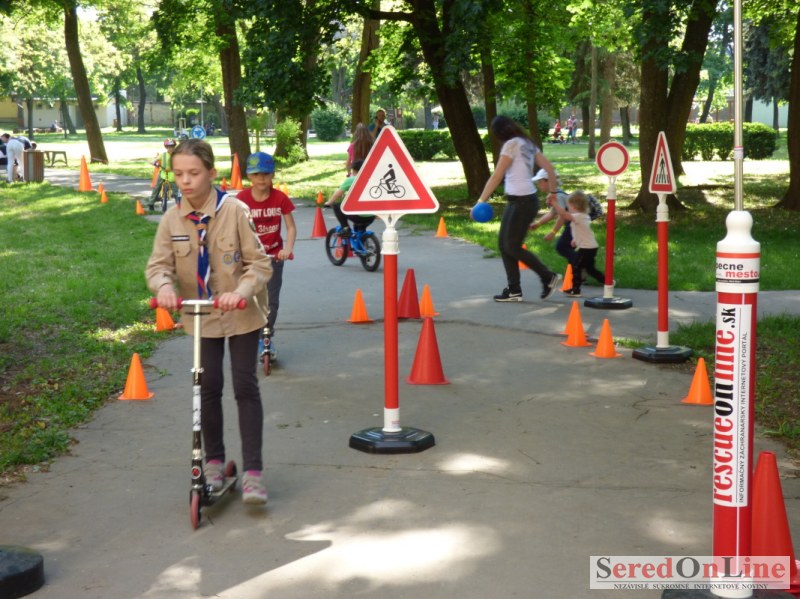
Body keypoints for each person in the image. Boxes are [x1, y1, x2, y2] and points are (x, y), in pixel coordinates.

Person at [145, 138, 273, 505]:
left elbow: (260, 263)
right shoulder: (172, 219)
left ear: (212, 173)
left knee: (244, 385)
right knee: (208, 386)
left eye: (194, 173)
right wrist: (164, 287)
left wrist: (242, 291)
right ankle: (213, 463)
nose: (185, 181)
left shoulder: (234, 211)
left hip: (241, 312)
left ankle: (253, 472)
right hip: (201, 314)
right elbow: (158, 266)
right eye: (178, 174)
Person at [474, 116, 562, 302]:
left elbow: (497, 176)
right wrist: (553, 192)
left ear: (499, 133)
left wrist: (480, 201)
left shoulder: (511, 145)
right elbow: (550, 169)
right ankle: (514, 290)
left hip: (522, 202)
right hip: (521, 201)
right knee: (504, 245)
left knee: (512, 246)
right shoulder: (528, 143)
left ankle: (548, 277)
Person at [237, 151, 296, 363]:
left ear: (272, 175)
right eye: (256, 174)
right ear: (249, 176)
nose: (261, 179)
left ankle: (266, 337)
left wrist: (287, 249)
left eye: (266, 174)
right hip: (249, 260)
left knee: (271, 302)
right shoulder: (241, 200)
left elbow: (291, 227)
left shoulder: (280, 198)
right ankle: (247, 336)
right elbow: (234, 228)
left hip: (273, 258)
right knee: (247, 298)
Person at [546, 191, 605, 297]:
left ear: (574, 206)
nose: (568, 209)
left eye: (568, 206)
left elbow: (563, 214)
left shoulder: (578, 216)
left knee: (577, 266)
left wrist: (555, 203)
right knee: (590, 268)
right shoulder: (583, 216)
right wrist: (575, 240)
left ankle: (576, 289)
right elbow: (581, 230)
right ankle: (606, 281)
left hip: (586, 248)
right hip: (590, 247)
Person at [529, 168, 576, 267]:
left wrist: (553, 232)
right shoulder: (555, 195)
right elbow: (552, 213)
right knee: (567, 247)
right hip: (573, 223)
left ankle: (582, 264)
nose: (538, 184)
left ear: (549, 181)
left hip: (575, 224)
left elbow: (562, 217)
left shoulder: (558, 196)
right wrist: (537, 224)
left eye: (540, 181)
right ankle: (577, 270)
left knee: (561, 247)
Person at [324, 159, 375, 238]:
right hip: (371, 216)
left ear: (354, 170)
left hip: (358, 216)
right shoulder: (373, 179)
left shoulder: (351, 180)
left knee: (337, 206)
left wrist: (329, 202)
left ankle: (346, 228)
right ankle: (363, 242)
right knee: (360, 232)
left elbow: (338, 194)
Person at [147, 139, 180, 211]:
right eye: (168, 147)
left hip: (172, 174)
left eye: (172, 147)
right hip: (163, 173)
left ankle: (179, 205)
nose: (170, 149)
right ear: (166, 147)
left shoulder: (177, 155)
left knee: (176, 191)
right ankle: (151, 203)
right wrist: (154, 163)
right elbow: (154, 160)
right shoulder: (163, 155)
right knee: (157, 188)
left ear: (174, 147)